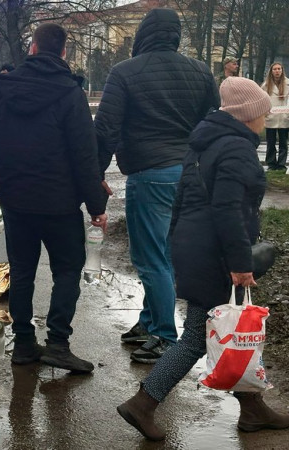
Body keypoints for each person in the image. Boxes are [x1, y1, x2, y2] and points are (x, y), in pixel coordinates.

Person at [117, 76, 289, 441]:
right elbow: (229, 209)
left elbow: (182, 201)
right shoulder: (236, 148)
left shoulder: (205, 142)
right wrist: (239, 263)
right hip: (217, 254)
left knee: (236, 328)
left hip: (197, 248)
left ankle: (252, 409)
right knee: (196, 338)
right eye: (262, 112)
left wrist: (177, 242)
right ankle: (142, 404)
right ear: (247, 114)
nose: (265, 119)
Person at [0, 22, 107, 373]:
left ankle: (23, 343)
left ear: (32, 48)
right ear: (63, 52)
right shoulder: (70, 94)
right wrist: (96, 206)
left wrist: (2, 186)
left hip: (16, 200)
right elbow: (84, 155)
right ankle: (58, 344)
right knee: (67, 269)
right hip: (59, 203)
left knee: (22, 271)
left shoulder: (1, 92)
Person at [94, 8, 219, 364]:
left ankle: (164, 334)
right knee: (165, 253)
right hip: (189, 173)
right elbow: (213, 122)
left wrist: (96, 173)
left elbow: (106, 129)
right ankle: (148, 322)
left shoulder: (125, 72)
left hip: (150, 173)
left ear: (143, 34)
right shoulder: (201, 71)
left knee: (150, 258)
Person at [261, 62, 289, 172]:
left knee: (283, 143)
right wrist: (265, 113)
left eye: (279, 69)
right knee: (271, 143)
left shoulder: (287, 84)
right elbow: (262, 101)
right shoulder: (266, 85)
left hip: (284, 117)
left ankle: (281, 164)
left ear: (282, 70)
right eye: (275, 69)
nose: (277, 71)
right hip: (271, 117)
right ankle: (271, 163)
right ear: (271, 71)